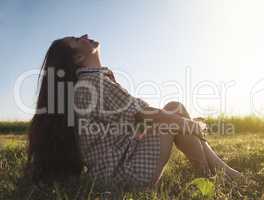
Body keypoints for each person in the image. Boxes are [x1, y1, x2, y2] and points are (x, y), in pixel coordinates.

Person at [26, 34, 242, 196]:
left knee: (174, 110)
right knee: (174, 116)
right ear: (78, 57)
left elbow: (134, 122)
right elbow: (147, 114)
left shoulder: (94, 82)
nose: (83, 36)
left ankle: (222, 175)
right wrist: (194, 126)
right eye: (75, 40)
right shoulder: (92, 83)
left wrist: (186, 124)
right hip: (123, 174)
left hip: (121, 164)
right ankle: (218, 178)